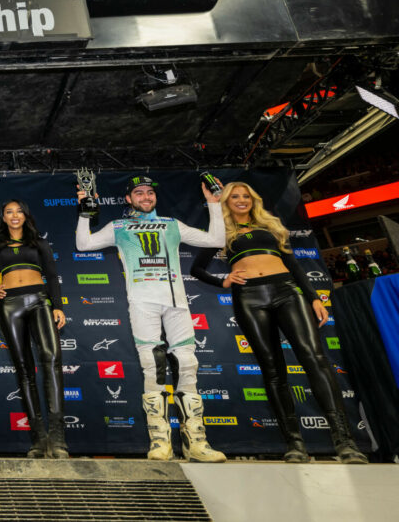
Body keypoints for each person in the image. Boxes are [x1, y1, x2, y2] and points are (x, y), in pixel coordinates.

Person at [190, 181, 368, 464]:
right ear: (226, 201)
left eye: (246, 195)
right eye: (234, 196)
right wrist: (222, 280)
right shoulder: (221, 231)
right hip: (248, 297)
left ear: (253, 199)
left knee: (315, 358)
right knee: (273, 369)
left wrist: (314, 298)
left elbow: (295, 265)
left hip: (287, 291)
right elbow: (196, 268)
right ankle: (294, 443)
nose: (241, 200)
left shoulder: (270, 226)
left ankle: (345, 441)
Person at [76, 174, 227, 462]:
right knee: (152, 366)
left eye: (150, 193)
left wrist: (214, 205)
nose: (146, 197)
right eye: (139, 193)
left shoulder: (172, 224)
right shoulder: (118, 226)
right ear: (128, 199)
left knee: (187, 364)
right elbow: (84, 245)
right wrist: (84, 213)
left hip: (177, 304)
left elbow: (216, 239)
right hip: (143, 303)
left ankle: (196, 442)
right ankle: (160, 442)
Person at [0, 200, 68, 458]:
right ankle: (39, 440)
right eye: (9, 212)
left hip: (40, 301)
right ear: (3, 218)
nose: (14, 216)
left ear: (26, 215)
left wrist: (57, 306)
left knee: (51, 361)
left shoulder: (39, 242)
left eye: (19, 211)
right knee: (25, 370)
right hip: (10, 307)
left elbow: (51, 273)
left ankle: (58, 440)